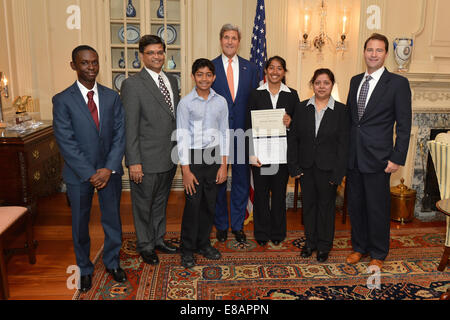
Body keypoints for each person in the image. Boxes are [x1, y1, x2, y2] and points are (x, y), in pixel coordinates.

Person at [52, 45, 126, 292]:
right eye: (85, 63)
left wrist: (108, 169)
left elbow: (119, 135)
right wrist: (90, 173)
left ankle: (112, 262)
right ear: (73, 65)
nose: (91, 67)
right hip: (79, 175)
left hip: (109, 171)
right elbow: (66, 141)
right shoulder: (62, 100)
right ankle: (84, 268)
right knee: (80, 224)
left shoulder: (112, 97)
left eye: (94, 62)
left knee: (112, 220)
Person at [345, 33, 412, 269]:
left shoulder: (397, 84)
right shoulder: (355, 81)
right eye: (370, 50)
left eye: (379, 50)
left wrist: (397, 157)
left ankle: (379, 252)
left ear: (385, 54)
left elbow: (404, 125)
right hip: (353, 157)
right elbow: (351, 120)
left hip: (380, 159)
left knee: (377, 208)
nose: (373, 54)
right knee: (356, 205)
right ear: (364, 52)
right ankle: (359, 247)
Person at [120, 35, 179, 266]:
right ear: (142, 56)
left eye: (160, 52)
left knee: (160, 203)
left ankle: (158, 239)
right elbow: (130, 127)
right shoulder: (132, 85)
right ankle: (145, 245)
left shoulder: (172, 81)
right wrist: (133, 161)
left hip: (169, 157)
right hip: (145, 160)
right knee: (143, 205)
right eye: (151, 53)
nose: (156, 56)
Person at [288, 68, 349, 262]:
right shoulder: (301, 107)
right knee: (309, 208)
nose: (321, 86)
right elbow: (294, 139)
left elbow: (344, 145)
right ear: (312, 85)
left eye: (326, 83)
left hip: (329, 170)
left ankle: (324, 246)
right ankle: (310, 243)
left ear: (332, 85)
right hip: (306, 168)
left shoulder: (341, 110)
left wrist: (338, 173)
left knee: (326, 209)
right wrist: (294, 167)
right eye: (317, 82)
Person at [176, 58, 229, 268]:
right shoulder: (185, 103)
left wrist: (224, 165)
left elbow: (225, 134)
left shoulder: (221, 102)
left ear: (214, 77)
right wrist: (186, 170)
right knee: (192, 205)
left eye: (208, 74)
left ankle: (203, 243)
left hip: (215, 158)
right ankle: (187, 249)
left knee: (209, 204)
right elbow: (181, 137)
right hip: (194, 158)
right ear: (193, 76)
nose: (204, 78)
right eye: (200, 74)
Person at [212, 23, 259, 243]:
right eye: (226, 37)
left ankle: (237, 225)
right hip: (217, 137)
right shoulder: (210, 68)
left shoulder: (251, 69)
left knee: (241, 181)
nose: (230, 41)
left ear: (239, 42)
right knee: (218, 181)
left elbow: (259, 102)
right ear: (220, 40)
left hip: (243, 135)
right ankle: (221, 224)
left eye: (234, 38)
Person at [247, 56, 299, 246]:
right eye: (271, 68)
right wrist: (251, 154)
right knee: (260, 194)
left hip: (282, 156)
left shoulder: (292, 95)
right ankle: (261, 233)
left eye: (279, 68)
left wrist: (291, 122)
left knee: (278, 195)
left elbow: (299, 127)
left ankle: (278, 232)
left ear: (284, 72)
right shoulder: (255, 94)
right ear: (266, 71)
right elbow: (248, 126)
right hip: (260, 155)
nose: (275, 72)